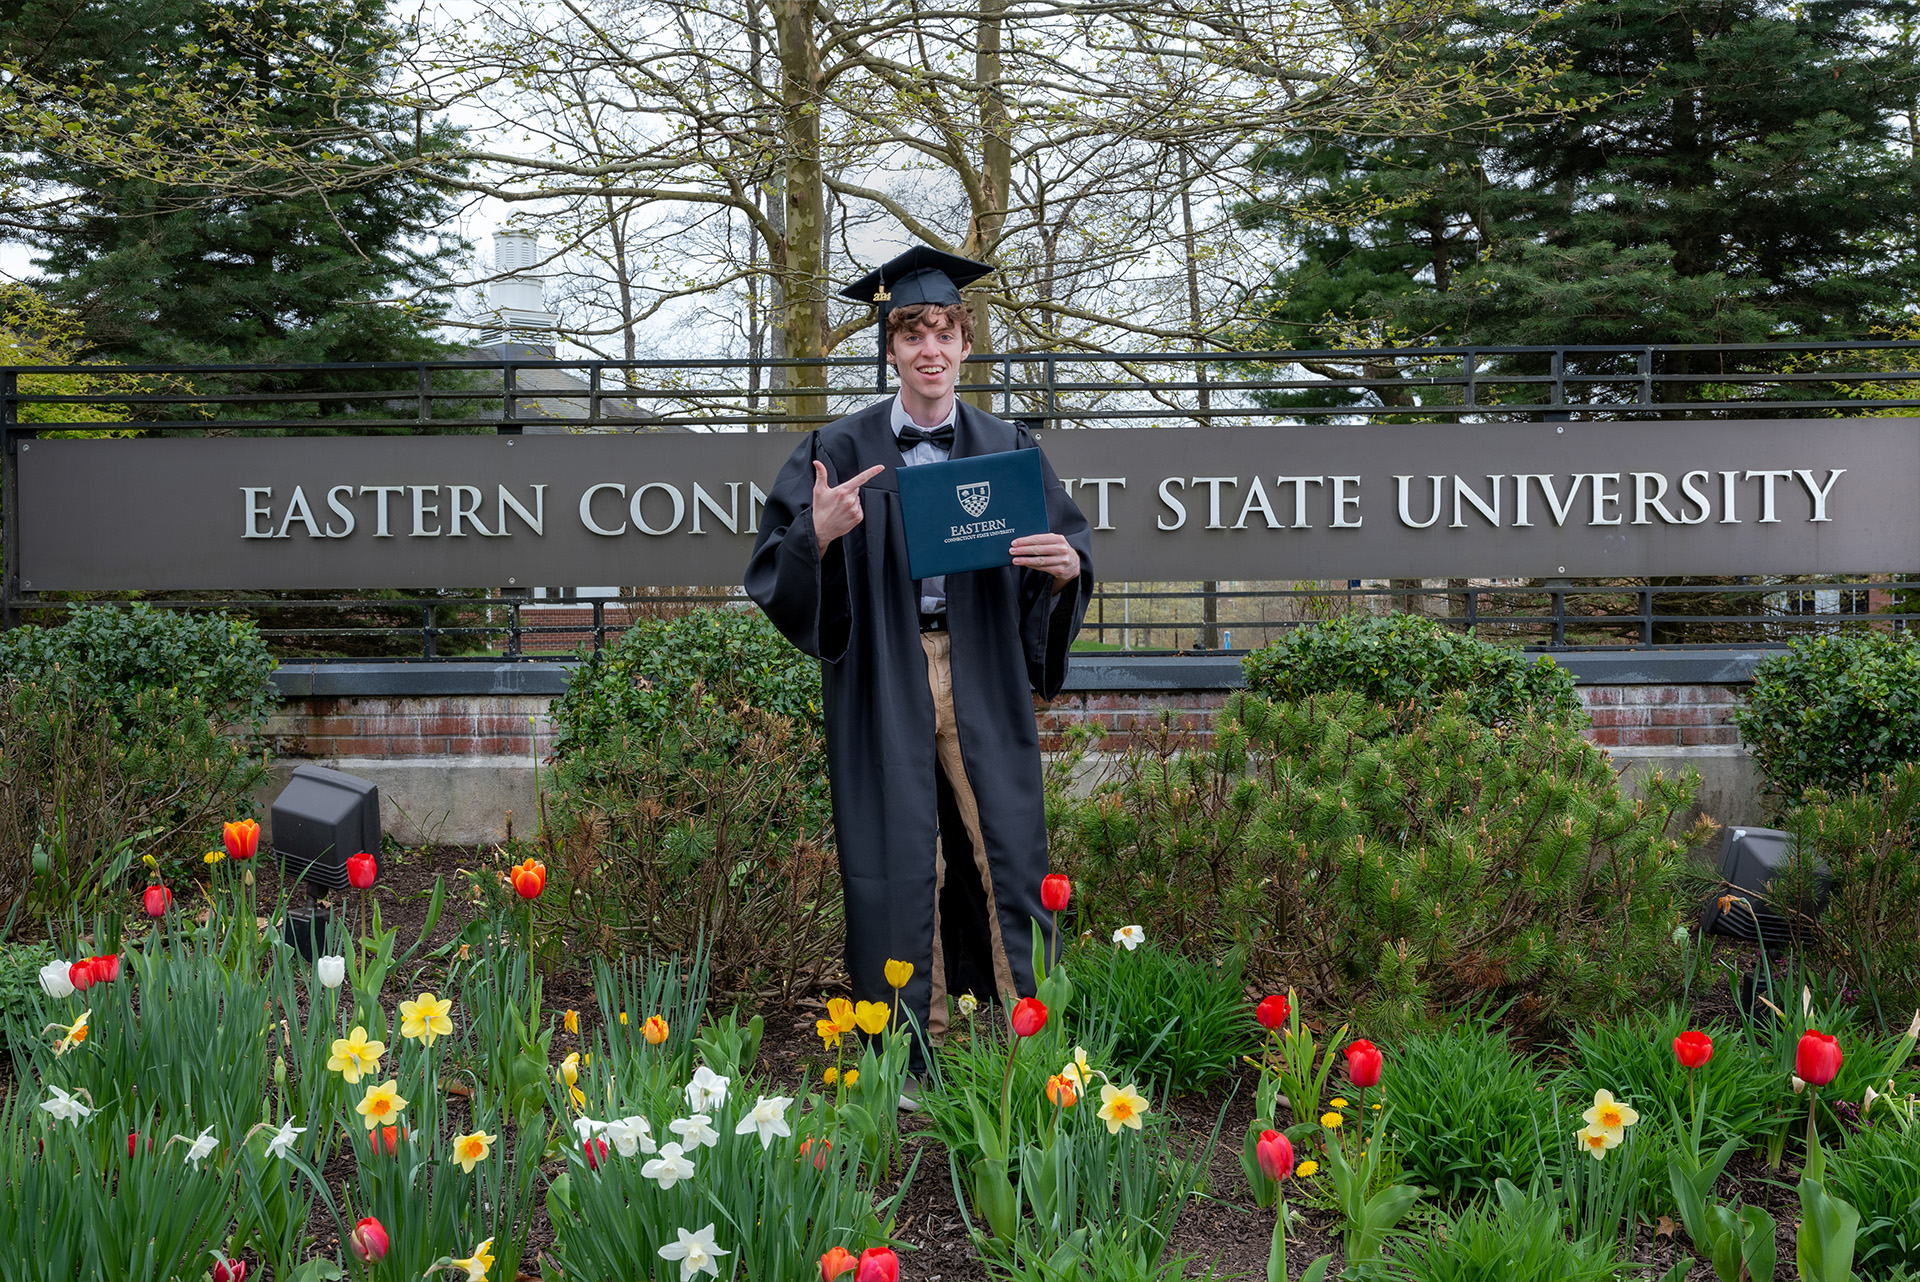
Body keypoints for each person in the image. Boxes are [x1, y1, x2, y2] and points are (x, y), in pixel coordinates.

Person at [744, 247, 1092, 1081]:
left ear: (966, 346)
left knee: (1007, 846)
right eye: (912, 334)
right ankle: (908, 1054)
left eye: (944, 332)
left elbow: (1066, 546)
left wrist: (1068, 570)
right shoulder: (839, 445)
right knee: (900, 856)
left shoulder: (1008, 447)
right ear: (890, 349)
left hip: (984, 674)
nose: (930, 349)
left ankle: (1026, 1040)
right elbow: (775, 571)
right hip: (884, 675)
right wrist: (817, 535)